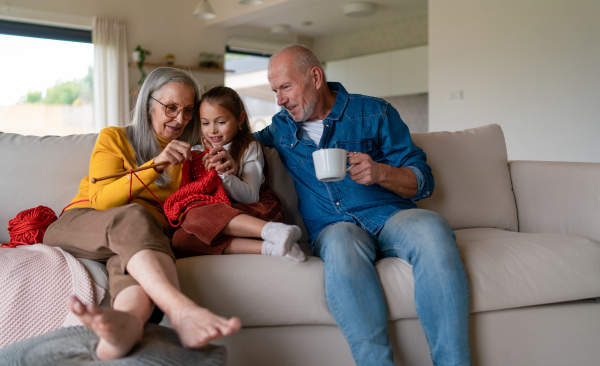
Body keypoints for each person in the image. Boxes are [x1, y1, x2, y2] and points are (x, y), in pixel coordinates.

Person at [210, 44, 472, 365]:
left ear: (315, 77)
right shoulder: (280, 127)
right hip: (333, 228)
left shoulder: (374, 112)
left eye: (286, 87)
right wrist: (215, 150)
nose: (279, 100)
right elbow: (239, 139)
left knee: (432, 229)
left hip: (389, 216)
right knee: (343, 243)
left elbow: (422, 180)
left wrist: (380, 172)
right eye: (275, 91)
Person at [43, 67, 241, 360]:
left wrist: (229, 172)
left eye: (188, 111)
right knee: (135, 215)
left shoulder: (192, 156)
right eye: (171, 108)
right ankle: (180, 310)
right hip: (84, 222)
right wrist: (155, 166)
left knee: (134, 253)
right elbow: (101, 200)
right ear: (149, 104)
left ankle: (127, 324)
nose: (180, 119)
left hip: (142, 238)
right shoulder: (114, 138)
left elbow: (202, 207)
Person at [169, 86, 305, 262]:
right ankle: (272, 247)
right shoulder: (198, 152)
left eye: (221, 122)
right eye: (205, 123)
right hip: (218, 219)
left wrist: (224, 174)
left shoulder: (249, 147)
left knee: (195, 214)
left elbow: (251, 195)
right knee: (180, 239)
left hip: (256, 213)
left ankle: (271, 230)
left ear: (239, 118)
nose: (212, 130)